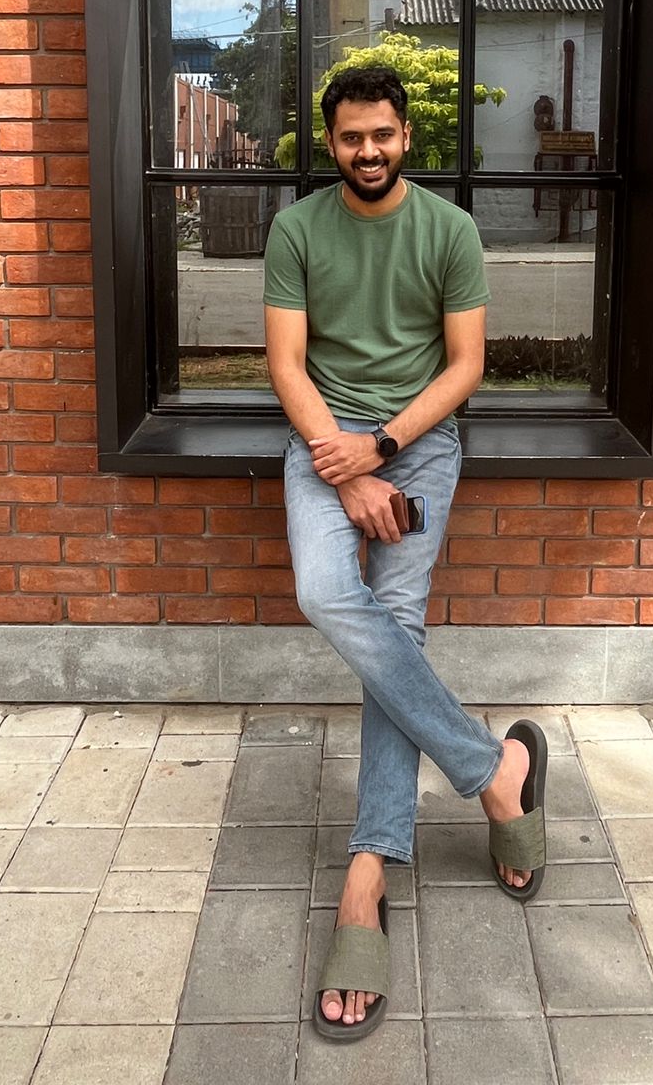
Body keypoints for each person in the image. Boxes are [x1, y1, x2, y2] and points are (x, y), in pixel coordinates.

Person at [262, 64, 548, 1043]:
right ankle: (494, 767)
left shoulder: (449, 230)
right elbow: (286, 365)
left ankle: (366, 873)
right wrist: (343, 467)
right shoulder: (299, 229)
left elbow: (465, 366)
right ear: (331, 142)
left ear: (405, 136)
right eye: (351, 137)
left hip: (415, 443)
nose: (368, 151)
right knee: (322, 590)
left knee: (395, 624)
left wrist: (381, 451)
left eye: (382, 134)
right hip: (323, 443)